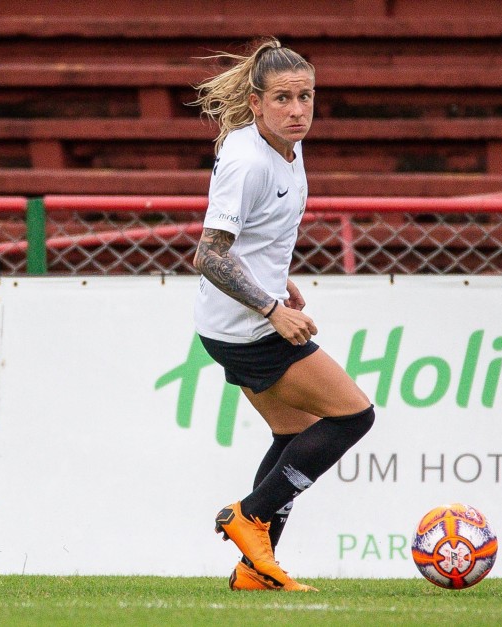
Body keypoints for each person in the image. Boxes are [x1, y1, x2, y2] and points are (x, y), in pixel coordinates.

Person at [191, 38, 375, 592]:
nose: (298, 110)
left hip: (233, 321)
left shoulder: (287, 148)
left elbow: (254, 238)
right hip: (247, 328)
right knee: (353, 416)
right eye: (283, 99)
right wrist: (271, 307)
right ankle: (249, 514)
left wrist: (277, 279)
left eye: (306, 97)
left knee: (290, 432)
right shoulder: (247, 162)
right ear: (255, 103)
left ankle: (254, 571)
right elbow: (209, 254)